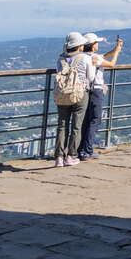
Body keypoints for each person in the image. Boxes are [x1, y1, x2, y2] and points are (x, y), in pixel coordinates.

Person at [77, 32, 123, 161]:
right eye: (96, 43)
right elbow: (111, 64)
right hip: (95, 90)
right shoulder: (94, 58)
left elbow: (103, 56)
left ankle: (80, 149)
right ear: (92, 45)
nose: (98, 44)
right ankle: (87, 151)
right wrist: (117, 53)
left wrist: (116, 49)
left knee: (86, 120)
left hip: (84, 90)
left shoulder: (83, 56)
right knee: (95, 120)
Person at [54, 31, 95, 167]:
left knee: (62, 125)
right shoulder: (84, 58)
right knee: (76, 126)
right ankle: (71, 156)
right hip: (79, 93)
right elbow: (90, 77)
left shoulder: (60, 58)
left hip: (62, 95)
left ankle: (59, 157)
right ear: (79, 45)